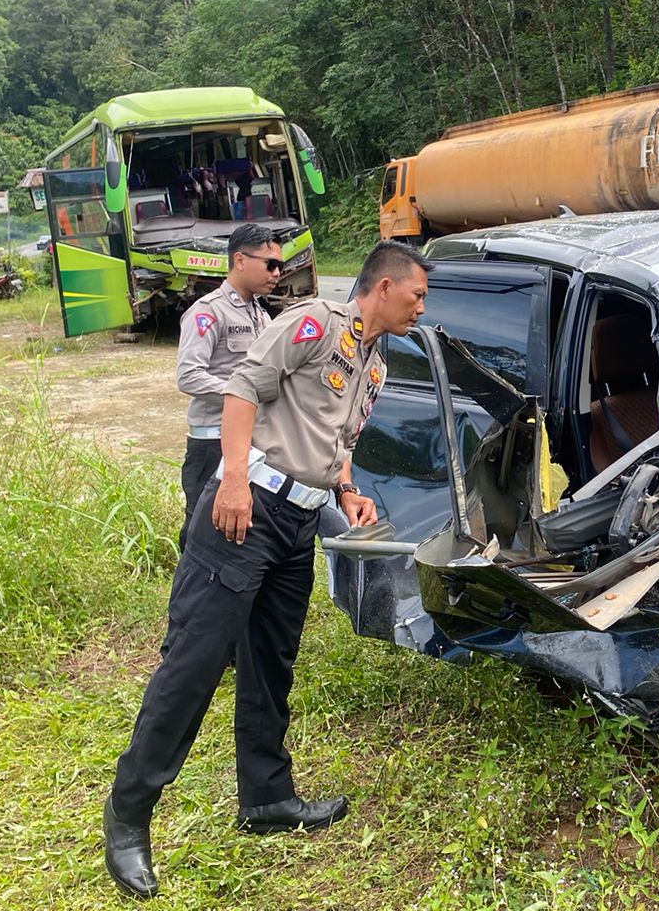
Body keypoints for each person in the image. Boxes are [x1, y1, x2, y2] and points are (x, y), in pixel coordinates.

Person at [103, 241, 432, 900]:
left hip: (299, 523)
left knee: (271, 659)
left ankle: (265, 798)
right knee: (196, 662)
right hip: (244, 512)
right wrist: (229, 482)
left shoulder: (374, 362)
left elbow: (333, 438)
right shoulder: (312, 324)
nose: (422, 305)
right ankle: (129, 812)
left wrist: (346, 490)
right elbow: (242, 390)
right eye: (417, 294)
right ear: (385, 285)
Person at [174, 223, 281, 555]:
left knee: (239, 529)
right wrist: (240, 396)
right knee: (201, 529)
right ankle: (187, 601)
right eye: (270, 264)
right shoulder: (208, 312)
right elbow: (188, 375)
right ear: (239, 260)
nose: (277, 273)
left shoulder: (261, 315)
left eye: (280, 266)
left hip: (248, 441)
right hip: (211, 441)